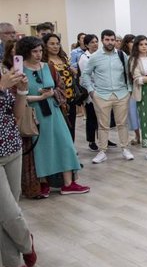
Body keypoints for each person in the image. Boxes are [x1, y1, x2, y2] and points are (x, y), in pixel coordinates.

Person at [18, 36, 90, 195]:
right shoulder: (19, 70)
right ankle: (43, 183)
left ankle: (68, 183)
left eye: (40, 51)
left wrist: (52, 93)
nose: (38, 54)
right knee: (41, 148)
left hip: (54, 112)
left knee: (65, 144)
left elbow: (61, 88)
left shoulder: (48, 67)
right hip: (34, 115)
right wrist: (38, 98)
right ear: (26, 52)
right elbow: (17, 97)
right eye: (34, 51)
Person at [0, 64, 41, 267]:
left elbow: (15, 114)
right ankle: (26, 243)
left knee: (9, 210)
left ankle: (13, 263)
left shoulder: (3, 69)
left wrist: (23, 91)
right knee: (9, 213)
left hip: (11, 148)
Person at [80, 29, 135, 164]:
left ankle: (125, 149)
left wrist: (129, 90)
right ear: (102, 40)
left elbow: (129, 73)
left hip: (121, 94)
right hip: (101, 95)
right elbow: (85, 74)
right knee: (103, 125)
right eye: (107, 40)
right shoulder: (95, 57)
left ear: (115, 40)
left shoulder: (122, 55)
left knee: (122, 123)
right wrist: (91, 91)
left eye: (112, 40)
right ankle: (102, 151)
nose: (110, 42)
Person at [42, 33, 78, 141]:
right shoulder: (44, 62)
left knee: (71, 125)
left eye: (57, 44)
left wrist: (74, 72)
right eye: (52, 44)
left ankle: (71, 149)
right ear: (45, 45)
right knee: (60, 128)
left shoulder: (63, 58)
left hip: (70, 98)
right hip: (56, 100)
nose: (55, 46)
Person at [78, 34, 101, 152]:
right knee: (92, 117)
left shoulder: (100, 55)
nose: (95, 44)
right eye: (92, 42)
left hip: (102, 90)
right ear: (86, 45)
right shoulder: (84, 58)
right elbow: (86, 75)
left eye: (96, 41)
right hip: (91, 91)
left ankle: (103, 139)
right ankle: (91, 141)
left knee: (102, 117)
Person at [120, 34, 141, 146]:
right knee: (132, 113)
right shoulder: (123, 56)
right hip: (129, 88)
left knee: (143, 113)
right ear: (126, 43)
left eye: (135, 41)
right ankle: (137, 136)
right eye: (131, 41)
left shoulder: (140, 55)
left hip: (141, 86)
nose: (133, 44)